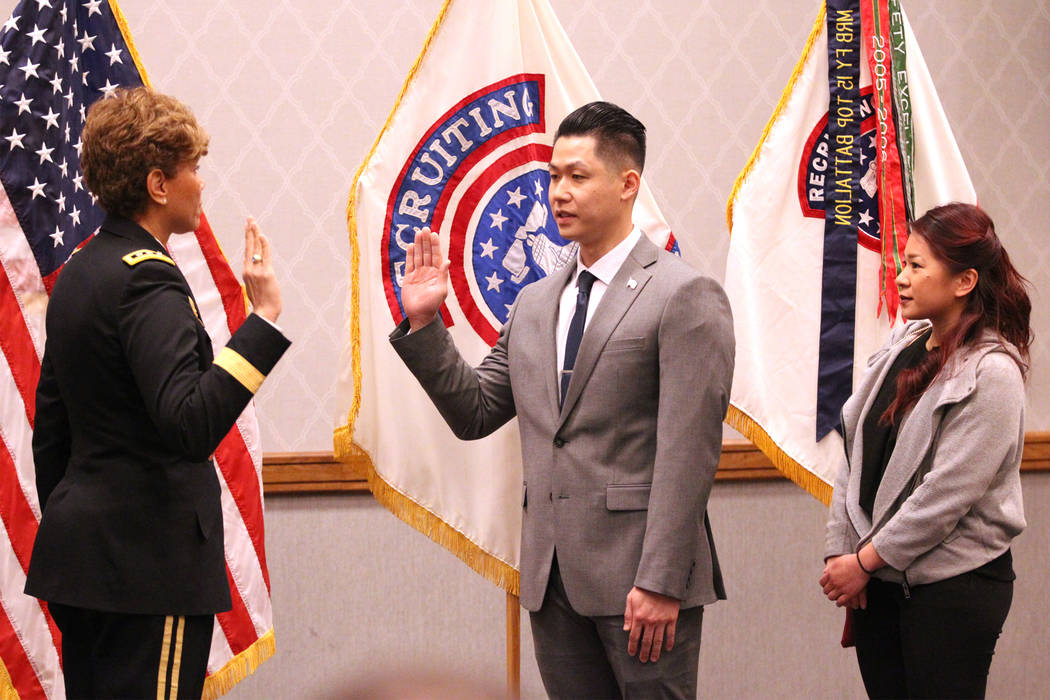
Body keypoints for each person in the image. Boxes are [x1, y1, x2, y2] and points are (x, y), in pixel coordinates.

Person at [392, 101, 734, 699]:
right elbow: (474, 411)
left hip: (640, 583)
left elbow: (690, 454)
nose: (558, 193)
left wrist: (661, 580)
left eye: (578, 176)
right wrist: (426, 326)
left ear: (628, 185)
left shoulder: (684, 295)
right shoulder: (535, 302)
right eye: (553, 176)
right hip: (551, 582)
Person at [25, 87, 290, 699]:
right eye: (192, 168)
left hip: (86, 569)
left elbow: (52, 436)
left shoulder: (82, 271)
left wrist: (86, 526)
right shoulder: (148, 278)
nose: (201, 183)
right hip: (147, 575)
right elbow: (189, 424)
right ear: (157, 183)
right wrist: (264, 320)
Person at [821, 202, 1031, 699]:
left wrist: (865, 561)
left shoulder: (993, 371)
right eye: (902, 263)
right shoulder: (902, 347)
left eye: (917, 266)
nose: (901, 277)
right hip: (878, 583)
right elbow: (853, 454)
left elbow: (944, 496)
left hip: (953, 589)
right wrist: (841, 549)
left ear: (964, 282)